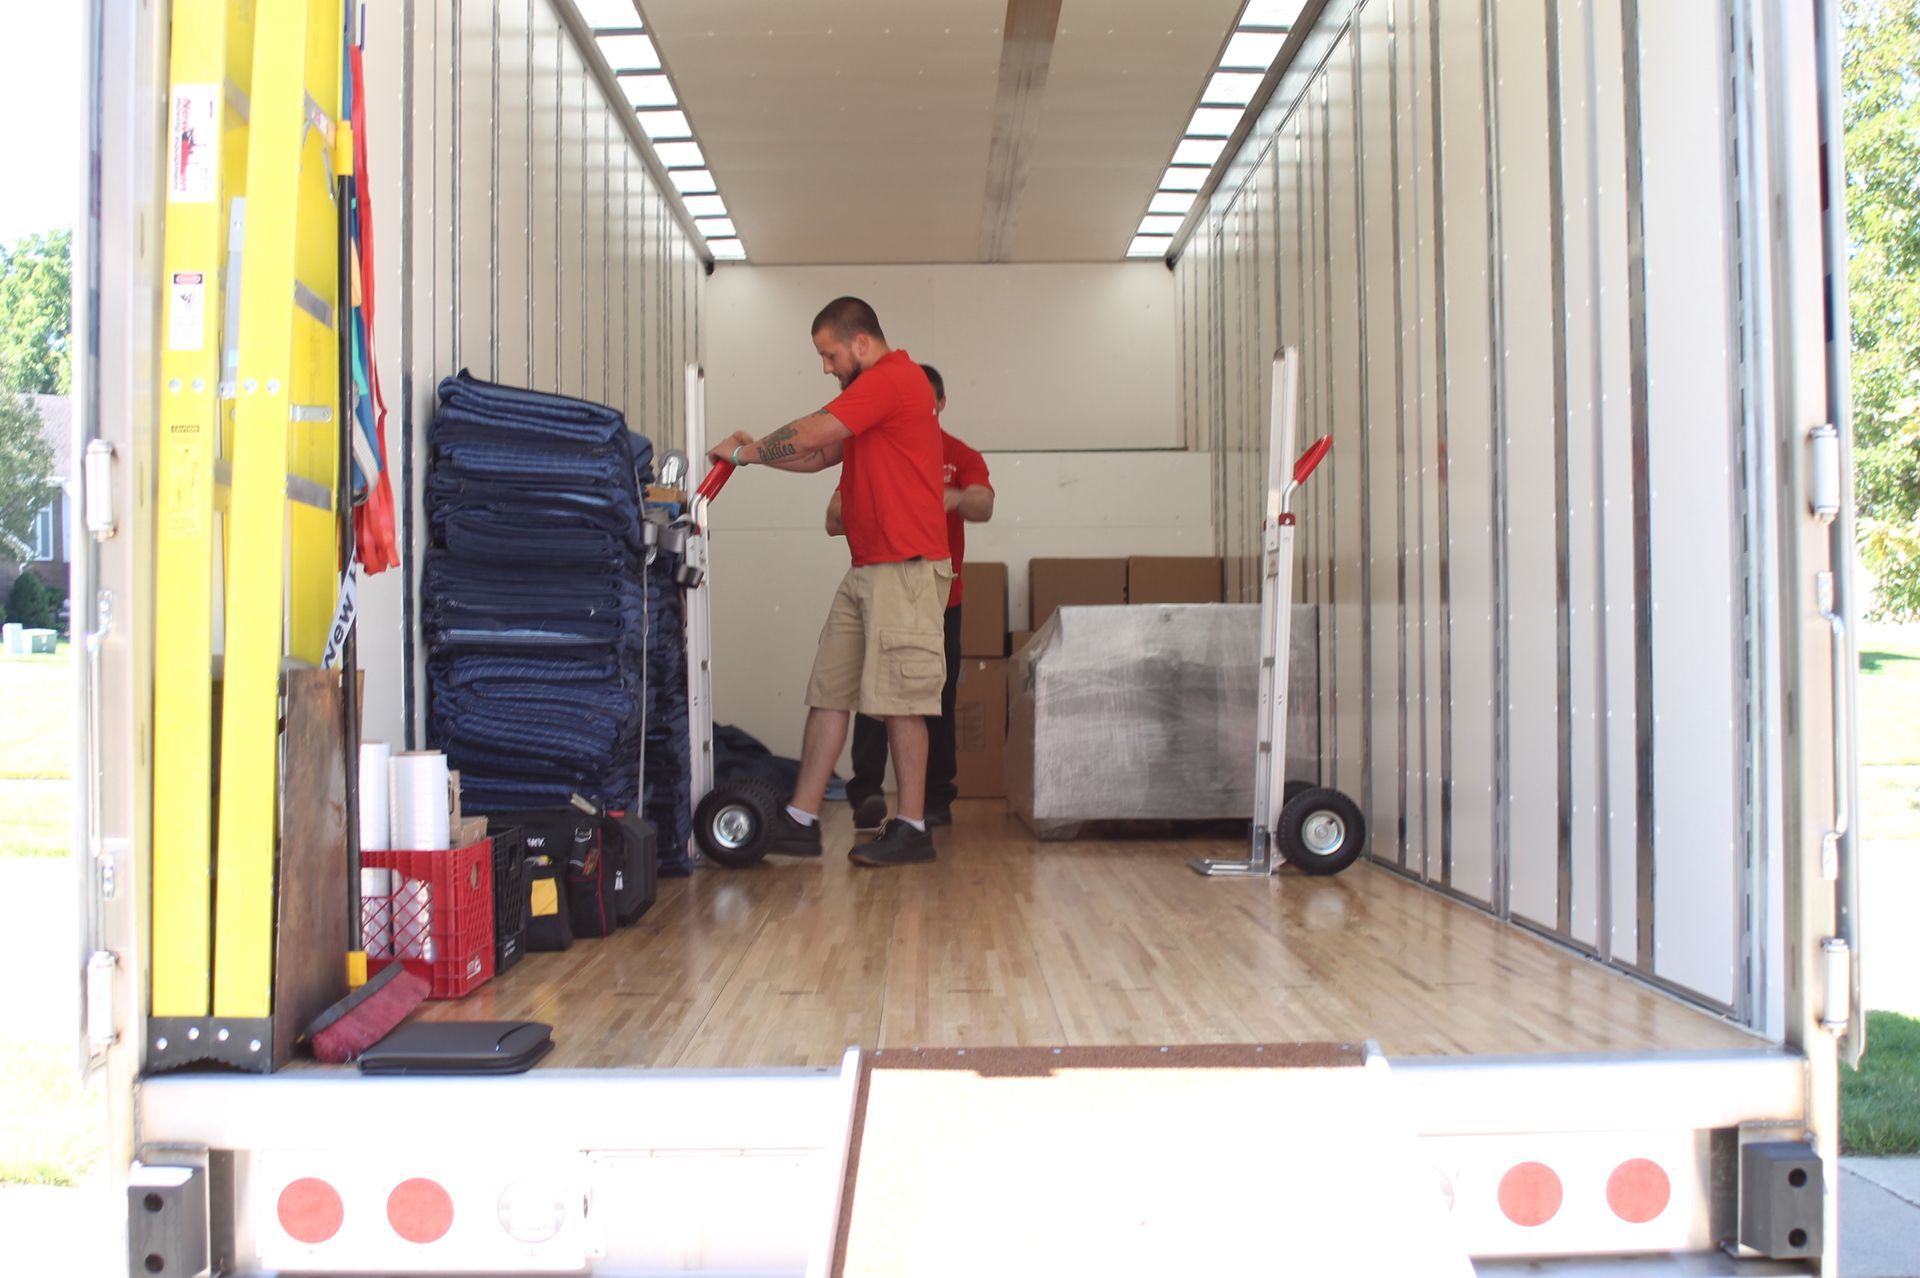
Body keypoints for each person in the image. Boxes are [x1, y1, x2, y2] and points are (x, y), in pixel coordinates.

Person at [705, 297, 950, 867]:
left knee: (901, 700)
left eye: (829, 354)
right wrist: (751, 457)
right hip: (867, 567)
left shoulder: (894, 378)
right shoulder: (866, 396)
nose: (827, 366)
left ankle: (913, 827)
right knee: (828, 692)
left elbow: (814, 432)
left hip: (905, 569)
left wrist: (747, 449)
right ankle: (801, 819)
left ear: (860, 343)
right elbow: (819, 457)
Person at [829, 364, 993, 830]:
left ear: (939, 405)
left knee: (933, 697)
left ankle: (935, 800)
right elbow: (833, 514)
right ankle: (866, 794)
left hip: (943, 599)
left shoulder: (959, 454)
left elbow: (983, 504)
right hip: (884, 589)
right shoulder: (878, 447)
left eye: (927, 402)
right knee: (875, 693)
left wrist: (952, 497)